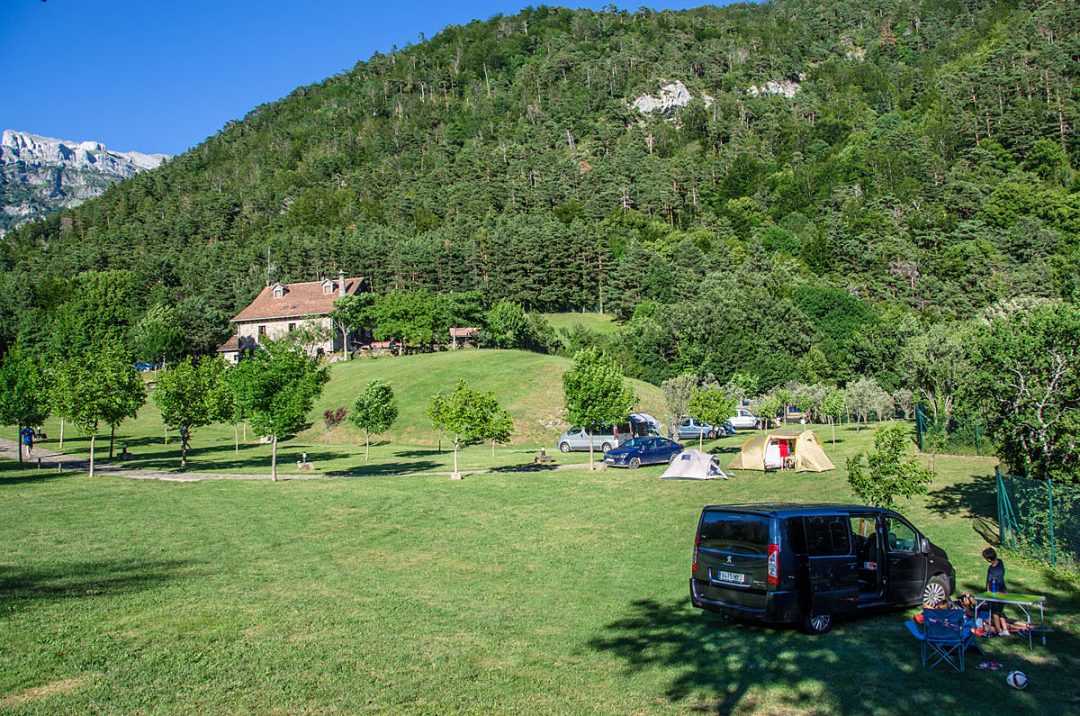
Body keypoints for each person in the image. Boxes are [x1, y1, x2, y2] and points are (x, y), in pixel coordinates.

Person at [983, 547, 1009, 635]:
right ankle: (1005, 629)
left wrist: (987, 594)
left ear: (989, 559)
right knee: (1000, 611)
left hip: (995, 592)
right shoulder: (1000, 563)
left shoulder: (991, 570)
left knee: (995, 612)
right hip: (1003, 590)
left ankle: (999, 631)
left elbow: (988, 582)